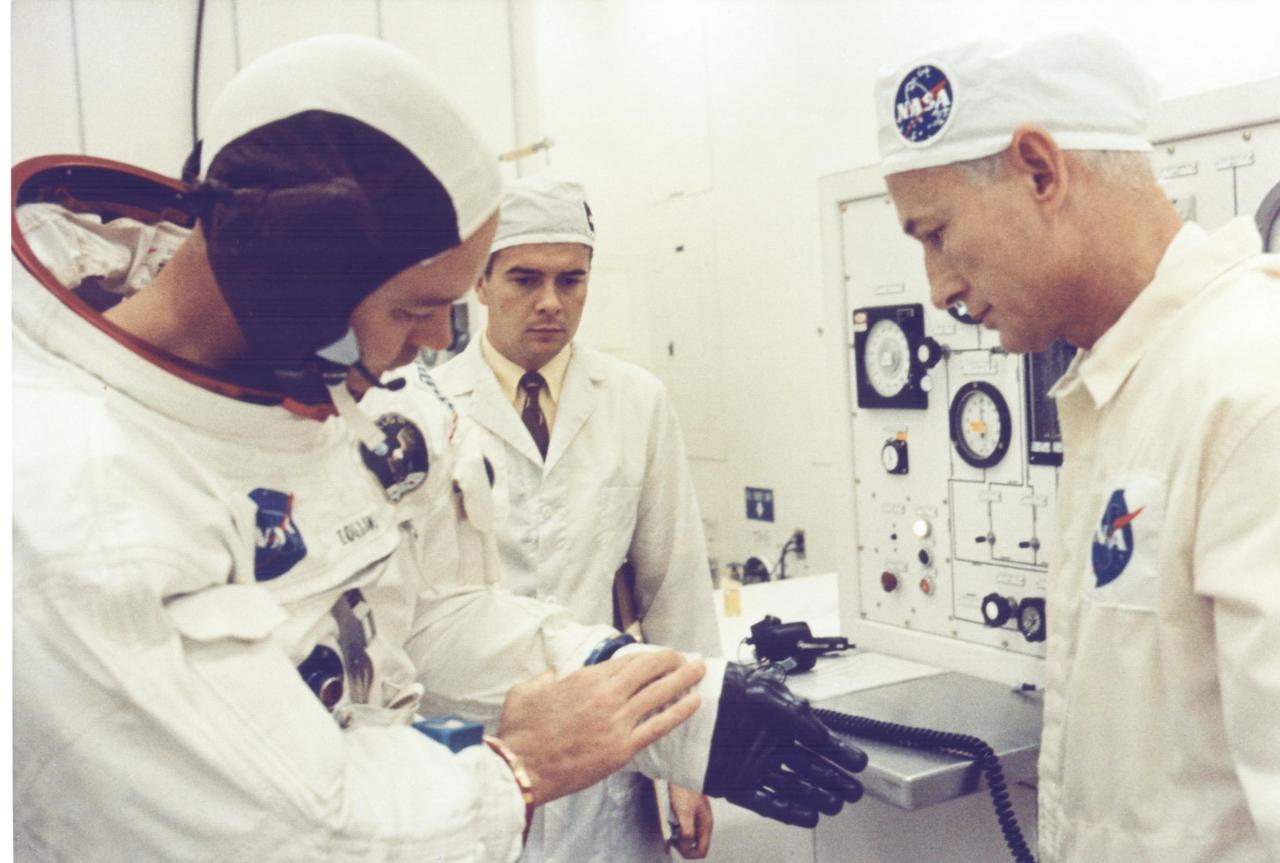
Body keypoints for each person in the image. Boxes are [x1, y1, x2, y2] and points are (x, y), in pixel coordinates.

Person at [12, 35, 867, 863]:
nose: (432, 341)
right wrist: (520, 769)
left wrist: (658, 697)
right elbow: (291, 828)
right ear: (297, 278)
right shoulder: (84, 506)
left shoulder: (336, 400)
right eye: (415, 308)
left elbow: (422, 614)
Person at [874, 23, 1280, 863]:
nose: (938, 288)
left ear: (1040, 170)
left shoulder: (1249, 390)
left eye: (937, 234)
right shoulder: (1127, 384)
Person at [431, 175, 720, 861]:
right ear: (480, 282)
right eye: (524, 279)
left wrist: (690, 760)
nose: (550, 303)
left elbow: (676, 588)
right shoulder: (426, 411)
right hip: (472, 743)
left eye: (571, 280)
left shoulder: (635, 402)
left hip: (608, 757)